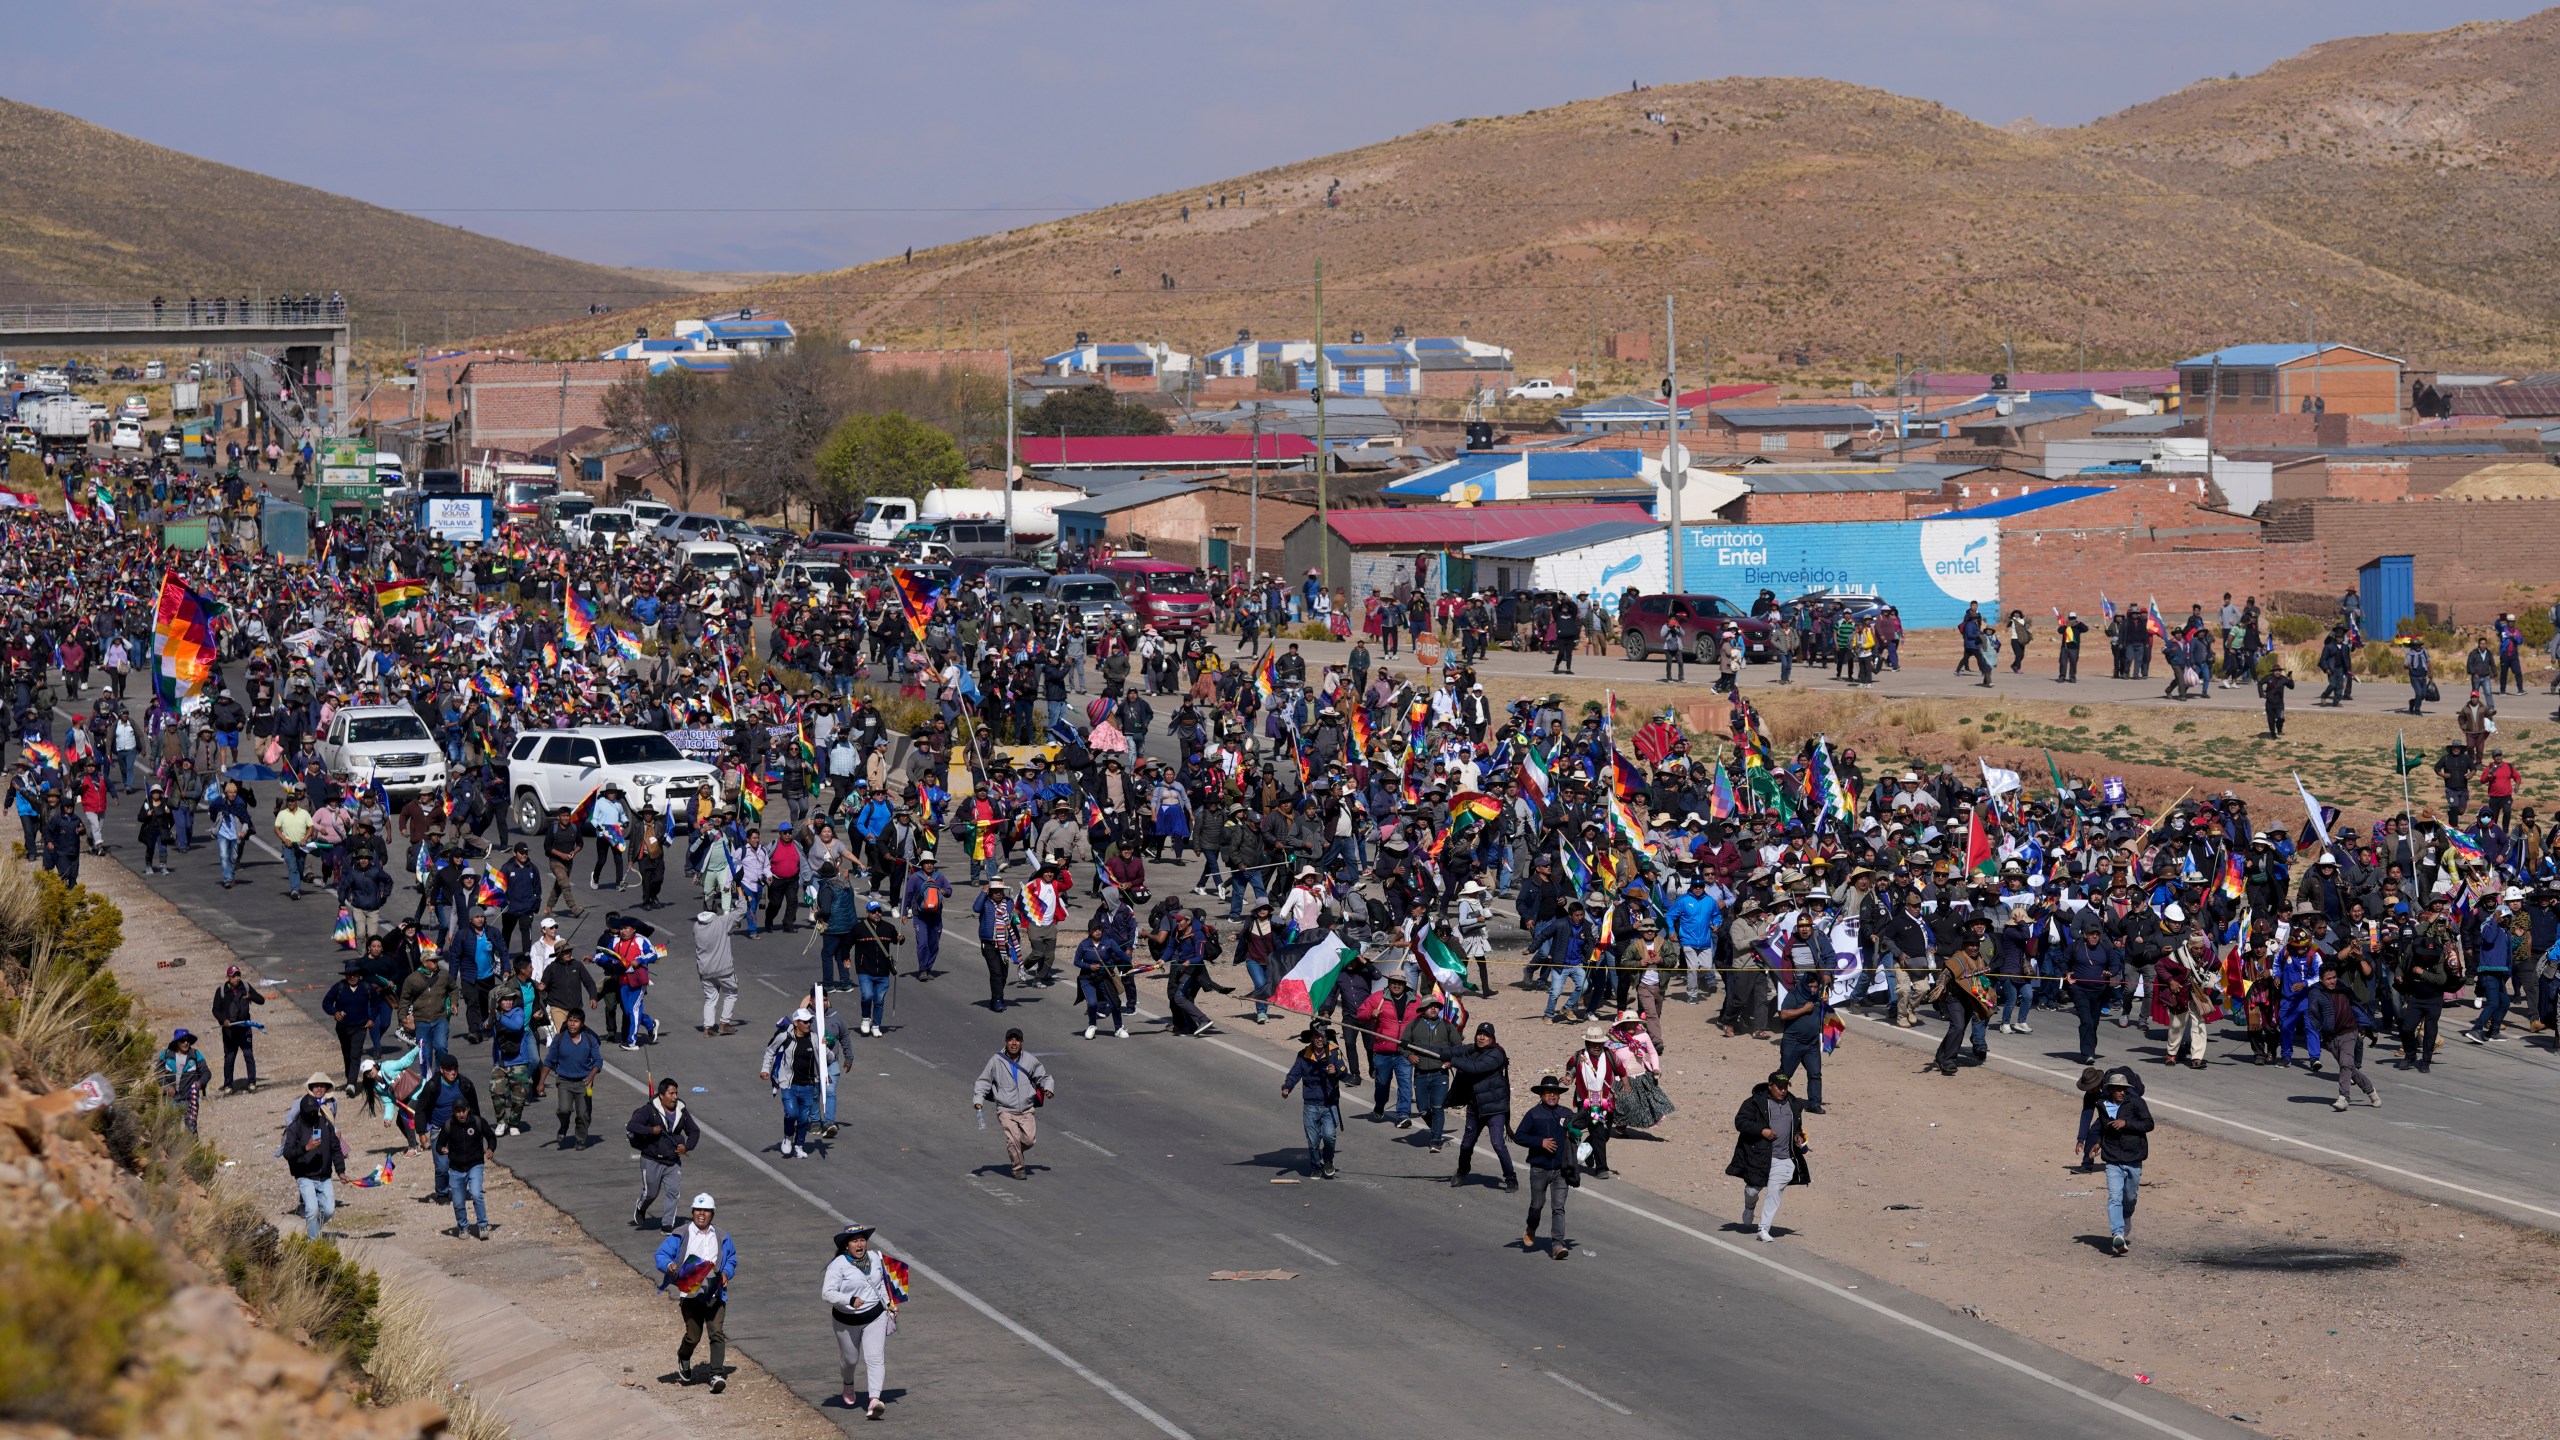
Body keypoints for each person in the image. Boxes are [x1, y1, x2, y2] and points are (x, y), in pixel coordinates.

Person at [654, 1194, 736, 1393]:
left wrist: (726, 1273)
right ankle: (684, 1356)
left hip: (714, 1292)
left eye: (706, 1210)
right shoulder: (680, 1234)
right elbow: (661, 1255)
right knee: (694, 1336)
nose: (702, 1214)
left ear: (712, 1214)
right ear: (692, 1213)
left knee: (716, 1332)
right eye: (698, 1210)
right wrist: (670, 1265)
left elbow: (732, 1259)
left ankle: (716, 1374)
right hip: (690, 1292)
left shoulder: (722, 1236)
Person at [1727, 1069, 1809, 1243]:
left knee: (1775, 1192)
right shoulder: (1754, 1103)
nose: (1783, 1090)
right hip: (1759, 1156)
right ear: (1770, 1086)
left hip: (1784, 1158)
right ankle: (1749, 1207)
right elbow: (1740, 1122)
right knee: (1752, 1190)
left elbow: (1796, 1127)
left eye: (1785, 1086)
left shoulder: (1793, 1104)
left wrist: (1799, 1138)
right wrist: (1761, 1131)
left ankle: (1763, 1229)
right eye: (1779, 1086)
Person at [823, 1224, 896, 1418]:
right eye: (855, 1241)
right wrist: (849, 1300)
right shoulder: (838, 1265)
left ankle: (874, 1400)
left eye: (862, 1240)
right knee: (850, 1360)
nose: (859, 1244)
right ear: (846, 1245)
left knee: (875, 1358)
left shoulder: (875, 1258)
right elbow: (827, 1293)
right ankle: (848, 1383)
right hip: (845, 1320)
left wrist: (889, 1303)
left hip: (875, 1315)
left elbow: (881, 1283)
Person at [971, 1027, 1051, 1180]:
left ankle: (1015, 1151)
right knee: (1013, 1139)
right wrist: (978, 1100)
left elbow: (1043, 1076)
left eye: (1017, 1040)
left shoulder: (1030, 1060)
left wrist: (1048, 1088)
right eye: (1011, 1040)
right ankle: (1018, 1169)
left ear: (1022, 1043)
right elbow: (983, 1081)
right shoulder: (996, 1060)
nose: (1014, 1043)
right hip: (1005, 1109)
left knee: (1029, 1140)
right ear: (1006, 1042)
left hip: (1026, 1109)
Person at [1511, 1074, 1576, 1260]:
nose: (1552, 1095)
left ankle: (1557, 1245)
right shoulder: (1533, 1114)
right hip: (1539, 1169)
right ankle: (1531, 1227)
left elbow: (1576, 1129)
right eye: (1547, 1092)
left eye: (1555, 1092)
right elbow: (1519, 1136)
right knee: (1537, 1205)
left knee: (1559, 1207)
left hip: (1561, 1171)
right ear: (1541, 1095)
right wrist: (1540, 1142)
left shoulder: (1566, 1113)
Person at [1447, 1020, 1516, 1189]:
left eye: (1486, 1035)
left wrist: (1453, 1061)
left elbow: (1475, 1068)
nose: (1481, 1038)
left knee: (1498, 1144)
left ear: (1492, 1038)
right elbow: (1447, 1051)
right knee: (1466, 1145)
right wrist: (1415, 1047)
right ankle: (1463, 1170)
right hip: (1475, 1107)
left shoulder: (1496, 1054)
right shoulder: (1471, 1050)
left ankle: (1510, 1178)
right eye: (1479, 1034)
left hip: (1495, 1109)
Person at [2094, 1070, 2153, 1256]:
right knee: (2114, 1196)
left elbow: (2149, 1124)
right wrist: (2097, 1143)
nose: (2121, 1092)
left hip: (2134, 1158)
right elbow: (2103, 1128)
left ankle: (2127, 1216)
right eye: (2117, 1089)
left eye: (2124, 1089)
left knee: (2130, 1197)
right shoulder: (2102, 1105)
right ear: (2110, 1090)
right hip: (2112, 1158)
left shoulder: (2136, 1103)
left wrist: (2126, 1123)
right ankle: (2117, 1234)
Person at [761, 1007, 833, 1159]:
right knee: (792, 1113)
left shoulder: (814, 1038)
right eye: (805, 1022)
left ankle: (799, 1145)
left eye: (810, 1021)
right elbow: (770, 1050)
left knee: (803, 1119)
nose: (808, 1024)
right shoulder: (785, 1036)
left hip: (809, 1086)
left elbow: (830, 1059)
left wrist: (824, 1047)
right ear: (796, 1023)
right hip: (789, 1085)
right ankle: (788, 1137)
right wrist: (765, 1069)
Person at [629, 1076, 700, 1228]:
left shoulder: (682, 1110)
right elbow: (632, 1125)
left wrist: (687, 1147)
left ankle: (667, 1224)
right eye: (671, 1094)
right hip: (651, 1159)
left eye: (676, 1093)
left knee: (673, 1192)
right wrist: (650, 1130)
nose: (675, 1097)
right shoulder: (649, 1110)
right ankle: (641, 1208)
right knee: (651, 1193)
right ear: (662, 1095)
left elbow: (694, 1131)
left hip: (672, 1161)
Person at [1280, 1024, 1348, 1179]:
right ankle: (1316, 1166)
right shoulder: (1303, 1055)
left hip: (1330, 1104)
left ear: (1326, 1038)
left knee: (1329, 1136)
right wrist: (1287, 1088)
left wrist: (1335, 1072)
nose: (1319, 1039)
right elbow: (1294, 1074)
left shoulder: (1334, 1053)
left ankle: (1328, 1160)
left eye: (1322, 1036)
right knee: (1313, 1140)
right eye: (1316, 1036)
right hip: (1310, 1105)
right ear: (1311, 1037)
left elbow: (1346, 1074)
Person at [282, 1082, 347, 1240]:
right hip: (305, 1176)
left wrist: (341, 1171)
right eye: (309, 1112)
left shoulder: (325, 1124)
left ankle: (314, 1229)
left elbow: (335, 1148)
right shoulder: (294, 1128)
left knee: (329, 1210)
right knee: (311, 1209)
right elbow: (287, 1153)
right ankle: (314, 1244)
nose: (313, 1115)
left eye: (315, 1112)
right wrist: (306, 1147)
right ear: (303, 1111)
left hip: (324, 1176)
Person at [2315, 961, 2379, 1110]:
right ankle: (2370, 1090)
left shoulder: (2343, 989)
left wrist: (2365, 1027)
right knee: (2349, 1067)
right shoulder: (2317, 994)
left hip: (2349, 1032)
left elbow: (2357, 1008)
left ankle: (2343, 1098)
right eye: (2328, 978)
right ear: (2321, 980)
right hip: (2331, 1038)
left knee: (2345, 1064)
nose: (2332, 981)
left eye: (2334, 977)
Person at [436, 1092, 499, 1240]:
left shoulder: (477, 1122)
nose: (461, 1114)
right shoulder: (448, 1126)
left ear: (468, 1109)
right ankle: (463, 1227)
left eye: (463, 1110)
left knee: (477, 1194)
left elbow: (491, 1136)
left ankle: (482, 1225)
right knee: (458, 1202)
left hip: (475, 1165)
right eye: (458, 1111)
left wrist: (491, 1148)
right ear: (453, 1112)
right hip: (456, 1169)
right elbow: (439, 1144)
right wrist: (442, 1149)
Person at [538, 1007, 602, 1147]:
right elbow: (549, 1061)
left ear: (582, 1024)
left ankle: (580, 1139)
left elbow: (598, 1061)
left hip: (585, 1083)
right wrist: (541, 1083)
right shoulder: (560, 1039)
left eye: (576, 1021)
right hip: (564, 1081)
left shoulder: (590, 1040)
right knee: (564, 1109)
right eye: (570, 1021)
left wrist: (591, 1075)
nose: (572, 1024)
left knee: (583, 1114)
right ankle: (564, 1125)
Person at [693, 907, 743, 1036]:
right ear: (715, 912)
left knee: (710, 998)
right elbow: (742, 910)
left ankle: (707, 1028)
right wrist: (741, 893)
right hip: (723, 969)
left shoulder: (696, 926)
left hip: (705, 970)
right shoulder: (721, 921)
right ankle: (724, 1024)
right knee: (731, 993)